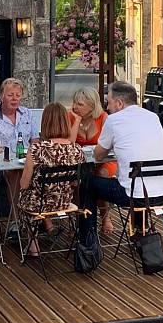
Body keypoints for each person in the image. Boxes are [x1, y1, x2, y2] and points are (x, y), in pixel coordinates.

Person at [79, 81, 163, 242]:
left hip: (137, 195)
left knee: (88, 184)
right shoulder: (153, 117)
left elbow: (98, 156)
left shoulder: (114, 120)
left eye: (109, 103)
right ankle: (140, 231)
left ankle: (88, 241)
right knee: (135, 181)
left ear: (119, 103)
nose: (107, 108)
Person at [19, 102, 86, 256]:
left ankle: (33, 245)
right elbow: (76, 182)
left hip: (41, 203)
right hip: (64, 202)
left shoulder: (37, 149)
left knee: (23, 198)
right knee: (32, 197)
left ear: (45, 123)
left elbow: (24, 183)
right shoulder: (76, 149)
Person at [0, 78, 40, 235]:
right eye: (10, 95)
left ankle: (38, 218)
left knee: (43, 172)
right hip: (2, 166)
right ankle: (15, 222)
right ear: (1, 96)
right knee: (14, 173)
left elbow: (35, 142)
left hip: (27, 162)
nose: (15, 99)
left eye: (17, 95)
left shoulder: (27, 114)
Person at [68, 86, 117, 234]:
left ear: (91, 106)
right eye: (74, 103)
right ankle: (80, 219)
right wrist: (77, 121)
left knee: (101, 175)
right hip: (79, 162)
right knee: (76, 180)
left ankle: (105, 217)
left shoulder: (103, 118)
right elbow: (69, 145)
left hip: (102, 160)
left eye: (80, 104)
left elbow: (110, 145)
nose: (75, 107)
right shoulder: (70, 117)